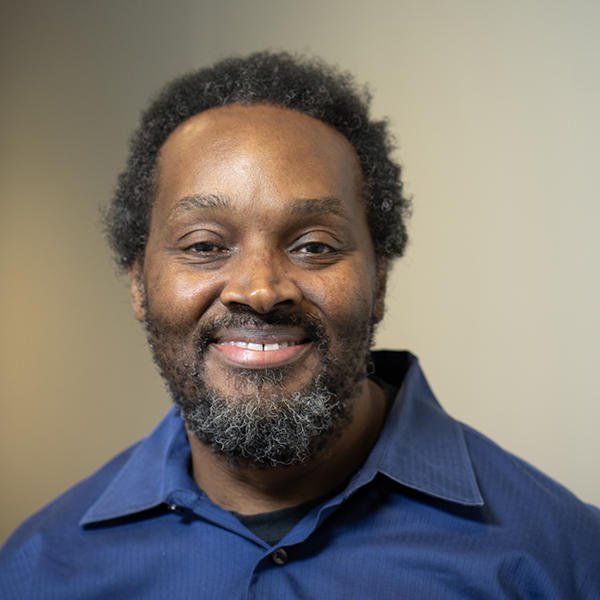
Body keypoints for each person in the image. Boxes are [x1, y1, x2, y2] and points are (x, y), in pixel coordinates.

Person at [1, 51, 599, 599]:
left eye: (313, 246)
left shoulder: (562, 558)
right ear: (138, 283)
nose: (260, 291)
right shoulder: (39, 570)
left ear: (380, 279)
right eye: (205, 245)